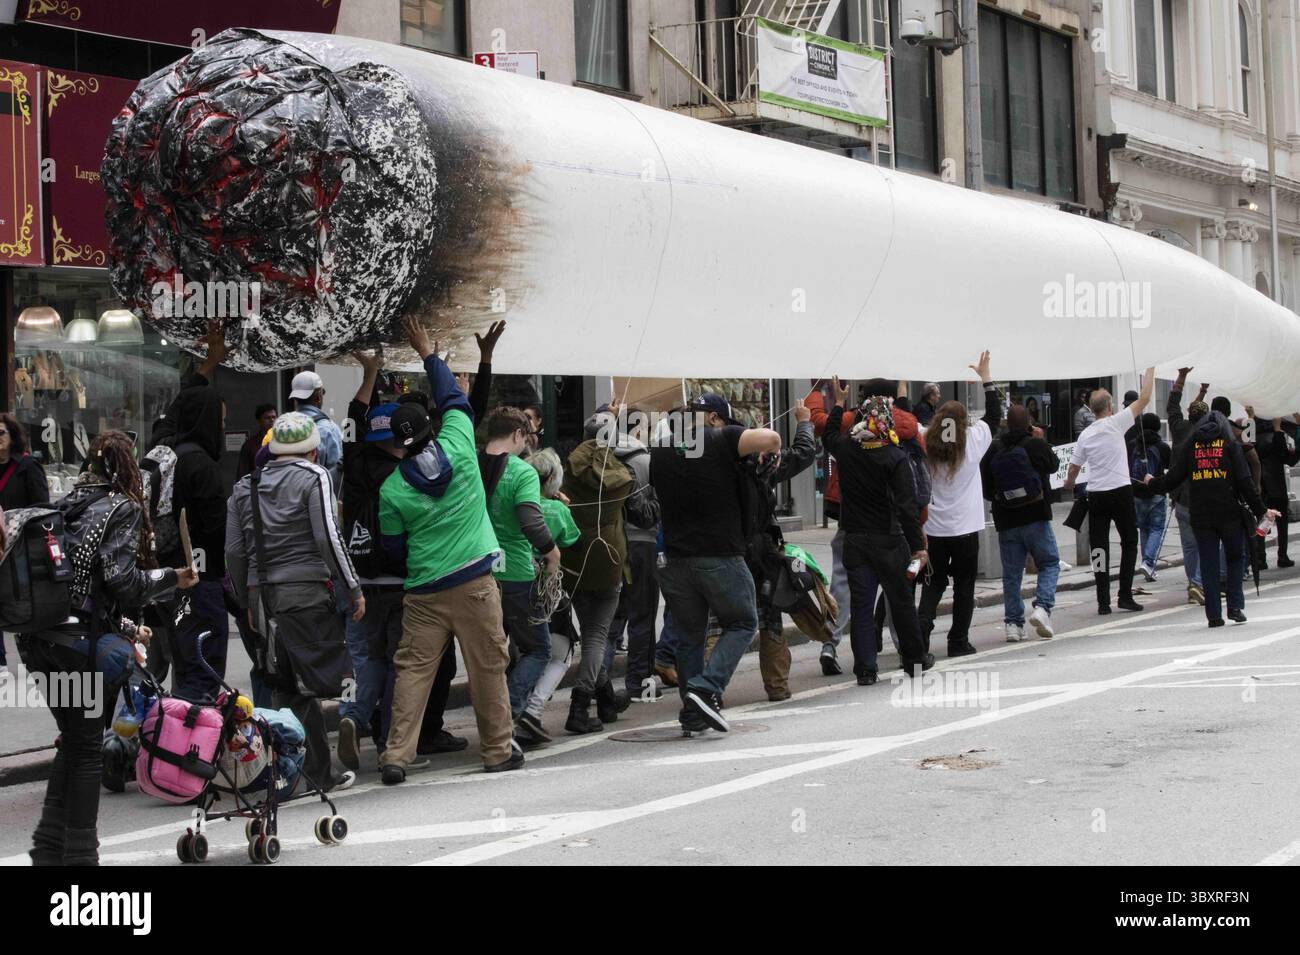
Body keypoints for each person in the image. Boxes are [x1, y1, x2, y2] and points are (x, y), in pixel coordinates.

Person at [20, 431, 197, 865]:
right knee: (84, 751)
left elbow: (83, 590)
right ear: (127, 467)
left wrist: (126, 627)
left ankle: (48, 847)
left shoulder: (62, 505)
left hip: (41, 642)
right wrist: (172, 577)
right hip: (78, 649)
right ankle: (80, 855)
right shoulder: (122, 507)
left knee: (76, 740)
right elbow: (123, 582)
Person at [377, 317, 520, 782]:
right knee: (487, 668)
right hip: (476, 582)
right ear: (430, 427)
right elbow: (456, 399)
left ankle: (396, 756)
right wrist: (428, 354)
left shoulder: (392, 490)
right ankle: (498, 750)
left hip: (423, 592)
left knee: (413, 673)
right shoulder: (458, 442)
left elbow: (392, 548)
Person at [226, 412, 361, 793]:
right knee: (311, 684)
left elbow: (234, 553)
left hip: (263, 600)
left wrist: (245, 600)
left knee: (286, 687)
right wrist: (352, 587)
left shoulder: (242, 488)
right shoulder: (313, 476)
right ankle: (314, 773)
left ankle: (297, 772)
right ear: (314, 451)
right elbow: (327, 538)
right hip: (306, 595)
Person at [651, 393, 781, 731]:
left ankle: (693, 713)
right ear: (711, 418)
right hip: (719, 554)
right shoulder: (722, 437)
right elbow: (772, 438)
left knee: (689, 636)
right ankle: (706, 689)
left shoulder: (662, 449)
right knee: (742, 622)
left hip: (675, 559)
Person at [821, 382, 933, 684]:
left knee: (861, 605)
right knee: (901, 602)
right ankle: (915, 660)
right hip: (890, 540)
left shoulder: (846, 448)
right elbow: (907, 507)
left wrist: (838, 404)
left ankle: (866, 669)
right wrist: (917, 545)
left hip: (855, 540)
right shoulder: (894, 457)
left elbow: (829, 435)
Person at [1146, 410, 1274, 627]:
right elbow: (1245, 482)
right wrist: (1262, 510)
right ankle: (1235, 606)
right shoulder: (1230, 446)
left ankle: (1214, 614)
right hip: (1229, 513)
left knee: (1208, 562)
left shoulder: (1191, 447)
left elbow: (1173, 478)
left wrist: (1152, 482)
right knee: (1235, 558)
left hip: (1201, 514)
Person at [729, 400, 818, 700]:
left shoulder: (713, 465)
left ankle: (710, 690)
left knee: (719, 623)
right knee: (770, 618)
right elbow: (804, 453)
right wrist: (804, 421)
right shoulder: (761, 463)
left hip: (727, 550)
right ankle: (777, 686)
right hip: (760, 552)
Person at [918, 351, 1001, 657]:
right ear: (964, 421)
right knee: (964, 586)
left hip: (935, 530)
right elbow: (994, 415)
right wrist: (986, 378)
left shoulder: (926, 439)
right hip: (966, 528)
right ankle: (958, 641)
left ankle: (921, 633)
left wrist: (902, 384)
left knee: (933, 584)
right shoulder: (974, 441)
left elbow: (904, 420)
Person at [559, 409, 636, 733]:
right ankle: (580, 705)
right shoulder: (620, 473)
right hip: (608, 558)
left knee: (591, 629)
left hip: (574, 556)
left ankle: (605, 699)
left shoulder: (567, 469)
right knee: (596, 634)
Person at [482, 406, 561, 721]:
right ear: (517, 435)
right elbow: (530, 520)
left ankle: (490, 718)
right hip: (515, 572)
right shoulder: (521, 471)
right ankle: (507, 715)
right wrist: (552, 552)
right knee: (538, 649)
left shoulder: (471, 464)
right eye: (525, 437)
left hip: (476, 571)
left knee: (491, 653)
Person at [1063, 367, 1155, 615]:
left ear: (1092, 410)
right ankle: (1125, 594)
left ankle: (1103, 600)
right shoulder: (1117, 422)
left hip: (1097, 494)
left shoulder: (1085, 434)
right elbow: (1144, 398)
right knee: (1129, 542)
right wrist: (1150, 368)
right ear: (1111, 406)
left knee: (1099, 547)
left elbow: (1073, 467)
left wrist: (1069, 484)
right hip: (1121, 491)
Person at [163, 379, 230, 702]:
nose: (222, 428)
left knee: (186, 663)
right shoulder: (203, 465)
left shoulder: (169, 457)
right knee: (205, 668)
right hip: (202, 579)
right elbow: (218, 529)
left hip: (170, 578)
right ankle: (191, 746)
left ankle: (174, 740)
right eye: (220, 421)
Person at [597, 403, 663, 705]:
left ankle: (600, 683)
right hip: (641, 544)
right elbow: (651, 510)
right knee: (643, 616)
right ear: (637, 429)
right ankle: (639, 682)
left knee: (610, 620)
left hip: (608, 542)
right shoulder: (645, 461)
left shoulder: (603, 455)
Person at [517, 448, 582, 742]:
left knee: (522, 650)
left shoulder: (515, 504)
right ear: (554, 478)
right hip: (544, 588)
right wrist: (561, 505)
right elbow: (571, 537)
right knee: (561, 653)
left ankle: (521, 708)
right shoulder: (557, 510)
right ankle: (532, 707)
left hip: (511, 584)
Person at [981, 403, 1060, 641]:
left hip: (1007, 521)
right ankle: (1042, 607)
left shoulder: (993, 449)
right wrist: (1041, 440)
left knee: (1012, 575)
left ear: (1006, 422)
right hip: (1036, 516)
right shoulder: (1035, 445)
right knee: (1049, 563)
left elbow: (986, 488)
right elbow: (1054, 465)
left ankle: (1013, 625)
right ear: (1029, 423)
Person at [0, 413, 49, 679]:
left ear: (12, 436)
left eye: (1, 433)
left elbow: (43, 506)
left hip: (20, 545)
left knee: (23, 601)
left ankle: (35, 655)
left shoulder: (27, 466)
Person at [1167, 370, 1208, 604]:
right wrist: (1202, 392)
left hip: (1181, 495)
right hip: (1202, 496)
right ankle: (1198, 583)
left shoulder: (1180, 429)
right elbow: (1198, 414)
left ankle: (1193, 582)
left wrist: (1181, 377)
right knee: (1206, 542)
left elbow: (1173, 404)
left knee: (1189, 546)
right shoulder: (1207, 435)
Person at [1130, 411, 1171, 582]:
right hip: (1157, 492)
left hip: (1137, 493)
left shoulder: (1133, 445)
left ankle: (1147, 564)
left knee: (1145, 529)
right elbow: (1171, 468)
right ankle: (1148, 562)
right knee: (1156, 528)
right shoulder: (1162, 446)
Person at [288, 370, 344, 493]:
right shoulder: (328, 428)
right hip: (318, 500)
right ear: (318, 397)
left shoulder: (283, 427)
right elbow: (336, 474)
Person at [1256, 414, 1299, 568]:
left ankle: (1260, 558)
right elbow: (1289, 458)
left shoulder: (1253, 438)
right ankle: (1282, 556)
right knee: (1281, 523)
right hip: (1276, 486)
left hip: (1260, 487)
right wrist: (1279, 430)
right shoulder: (1276, 437)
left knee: (1263, 521)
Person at [236, 404, 278, 480]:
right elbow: (242, 474)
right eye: (267, 418)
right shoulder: (249, 445)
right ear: (259, 421)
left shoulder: (283, 441)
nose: (272, 420)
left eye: (274, 417)